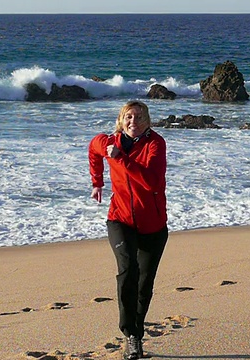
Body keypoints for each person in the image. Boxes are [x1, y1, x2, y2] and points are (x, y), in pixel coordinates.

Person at [88, 100, 169, 360]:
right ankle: (130, 334)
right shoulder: (109, 142)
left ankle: (137, 331)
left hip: (153, 226)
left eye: (139, 117)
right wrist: (97, 182)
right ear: (121, 120)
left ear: (148, 120)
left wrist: (120, 159)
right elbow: (93, 148)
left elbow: (151, 182)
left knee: (144, 284)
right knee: (127, 270)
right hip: (120, 219)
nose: (133, 122)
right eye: (128, 117)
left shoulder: (156, 144)